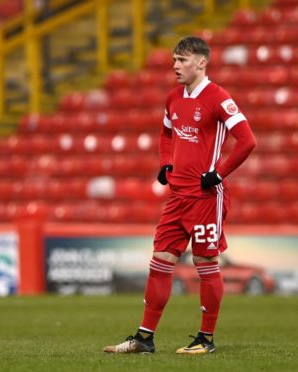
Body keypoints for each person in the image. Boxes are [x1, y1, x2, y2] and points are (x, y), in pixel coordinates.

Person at [103, 36, 256, 354]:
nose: (175, 65)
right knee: (160, 263)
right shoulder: (173, 98)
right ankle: (144, 339)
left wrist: (219, 173)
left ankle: (206, 339)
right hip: (177, 197)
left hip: (205, 198)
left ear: (201, 62)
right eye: (174, 59)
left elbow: (247, 140)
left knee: (205, 263)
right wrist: (165, 164)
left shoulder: (218, 98)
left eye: (182, 60)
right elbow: (166, 133)